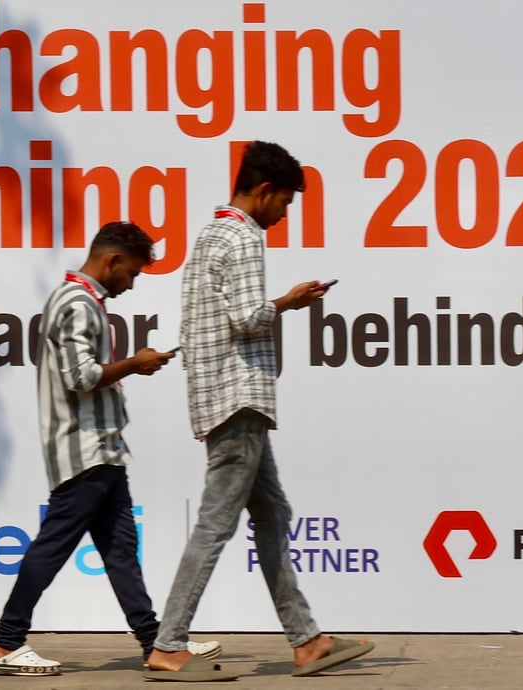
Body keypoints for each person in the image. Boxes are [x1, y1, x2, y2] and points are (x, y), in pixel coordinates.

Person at [144, 141, 374, 681]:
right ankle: (168, 643)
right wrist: (290, 301)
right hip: (239, 396)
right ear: (265, 191)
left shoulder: (209, 234)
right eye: (287, 203)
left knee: (272, 514)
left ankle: (307, 639)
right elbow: (249, 318)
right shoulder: (244, 237)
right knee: (215, 524)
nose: (286, 215)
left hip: (218, 395)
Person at [0, 221, 220, 677]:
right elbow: (80, 378)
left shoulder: (82, 301)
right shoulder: (76, 303)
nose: (131, 284)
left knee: (120, 553)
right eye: (131, 273)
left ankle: (158, 642)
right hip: (83, 451)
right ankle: (5, 643)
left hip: (102, 451)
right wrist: (135, 363)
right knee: (52, 548)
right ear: (111, 261)